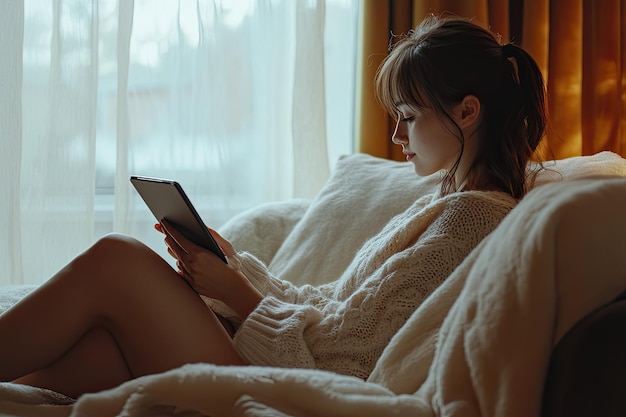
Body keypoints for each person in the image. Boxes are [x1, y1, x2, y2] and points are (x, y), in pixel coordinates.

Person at [0, 14, 547, 399]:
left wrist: (233, 290)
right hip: (276, 361)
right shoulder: (444, 204)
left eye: (407, 115)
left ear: (468, 111)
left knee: (117, 260)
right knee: (87, 348)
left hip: (287, 385)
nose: (398, 135)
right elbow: (332, 306)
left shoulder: (473, 220)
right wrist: (234, 264)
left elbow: (348, 358)